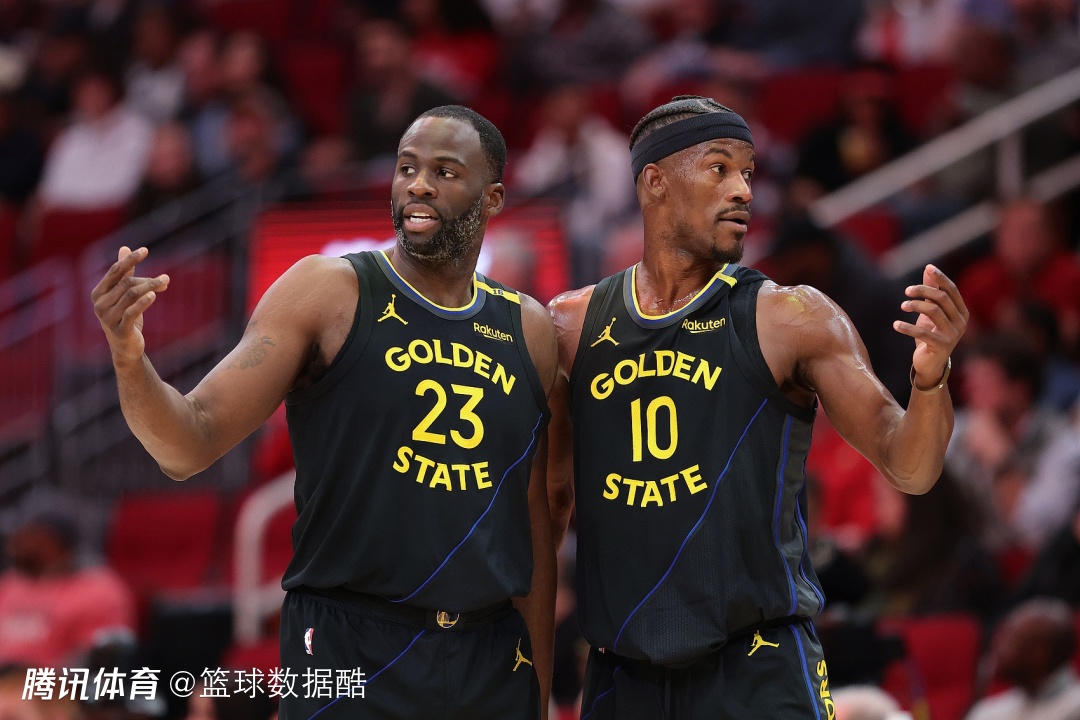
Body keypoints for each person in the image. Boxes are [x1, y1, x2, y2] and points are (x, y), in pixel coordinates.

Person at [91, 105, 557, 719]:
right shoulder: (328, 290)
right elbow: (187, 443)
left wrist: (538, 693)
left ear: (492, 197)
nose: (418, 184)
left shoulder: (529, 330)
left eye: (445, 172)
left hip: (488, 654)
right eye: (407, 168)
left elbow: (532, 524)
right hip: (349, 643)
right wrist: (130, 360)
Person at [547, 95, 967, 719]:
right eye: (719, 169)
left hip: (758, 668)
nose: (743, 190)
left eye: (747, 172)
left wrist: (930, 379)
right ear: (655, 181)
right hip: (622, 673)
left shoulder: (792, 317)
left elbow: (911, 466)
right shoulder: (571, 326)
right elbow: (547, 508)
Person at [0, 511, 136, 668]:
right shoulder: (10, 583)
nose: (15, 545)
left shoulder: (99, 590)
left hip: (52, 680)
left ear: (53, 542)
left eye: (27, 536)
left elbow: (99, 659)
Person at [965, 597, 1080, 720]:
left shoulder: (1075, 709)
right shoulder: (987, 711)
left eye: (1008, 641)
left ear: (1039, 653)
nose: (996, 649)